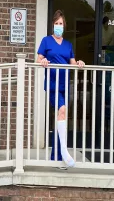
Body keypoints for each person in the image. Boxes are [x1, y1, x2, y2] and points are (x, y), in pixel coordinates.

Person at [37, 10, 85, 167]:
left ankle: (55, 157)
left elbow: (72, 61)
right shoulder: (46, 41)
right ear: (53, 25)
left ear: (64, 26)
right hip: (52, 85)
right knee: (62, 110)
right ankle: (64, 152)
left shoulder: (68, 44)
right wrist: (43, 61)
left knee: (61, 117)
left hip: (65, 84)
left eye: (61, 24)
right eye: (56, 23)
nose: (58, 26)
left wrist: (79, 63)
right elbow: (39, 58)